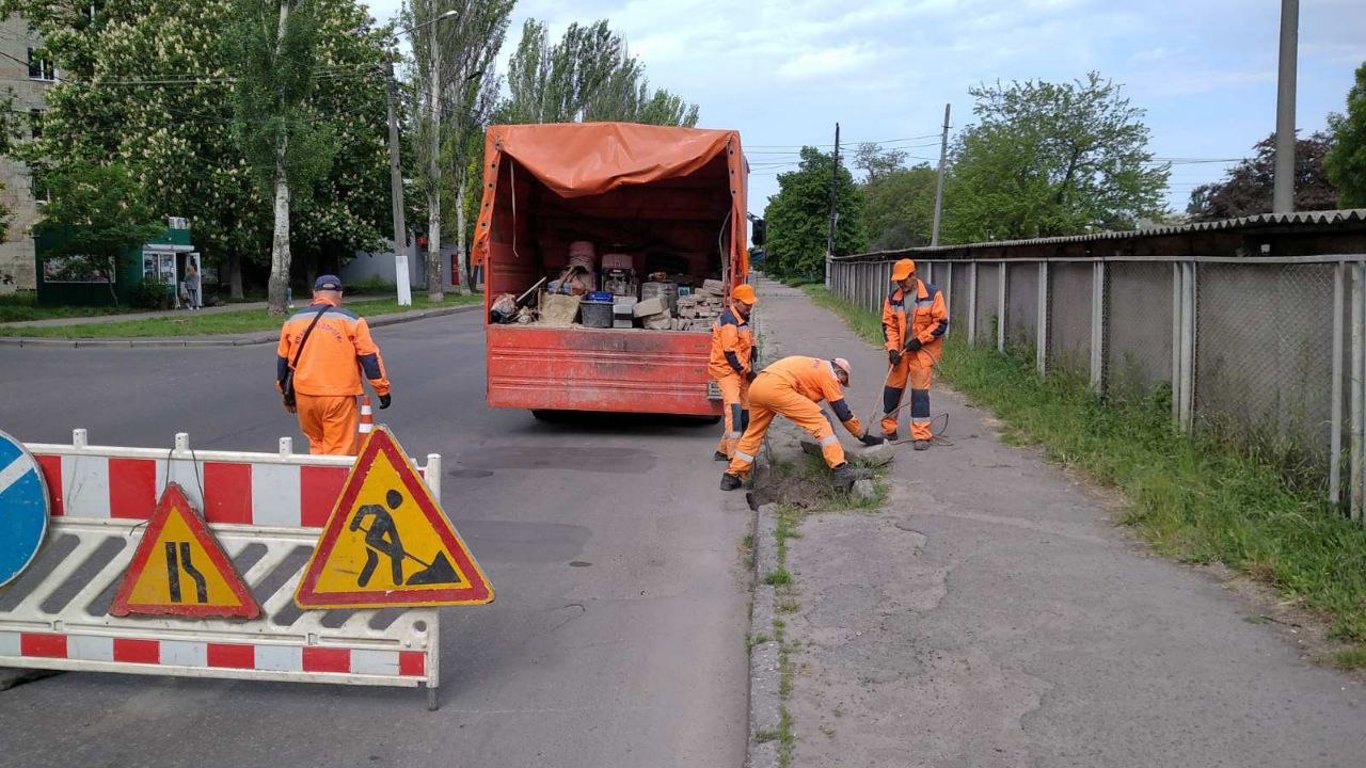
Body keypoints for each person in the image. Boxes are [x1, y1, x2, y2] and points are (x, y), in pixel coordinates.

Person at [720, 356, 880, 492]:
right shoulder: (829, 375)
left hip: (758, 386)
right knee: (820, 421)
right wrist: (860, 435)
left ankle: (731, 476)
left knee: (754, 432)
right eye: (842, 381)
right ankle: (840, 469)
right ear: (839, 371)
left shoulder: (814, 365)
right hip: (778, 388)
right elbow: (842, 412)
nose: (840, 384)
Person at [276, 275, 392, 456]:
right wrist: (382, 390)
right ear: (340, 294)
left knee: (316, 444)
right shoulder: (352, 321)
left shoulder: (293, 322)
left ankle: (317, 481)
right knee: (338, 449)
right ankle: (333, 483)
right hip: (338, 395)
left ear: (315, 293)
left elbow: (283, 362)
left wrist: (286, 395)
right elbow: (370, 358)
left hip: (305, 395)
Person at [881, 258, 949, 449]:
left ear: (914, 275)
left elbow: (941, 323)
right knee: (892, 390)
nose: (900, 283)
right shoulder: (892, 298)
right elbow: (889, 326)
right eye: (898, 281)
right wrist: (893, 349)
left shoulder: (933, 294)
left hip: (923, 352)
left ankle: (921, 434)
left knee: (920, 393)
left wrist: (920, 340)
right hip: (901, 352)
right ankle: (888, 428)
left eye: (904, 279)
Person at [709, 283, 758, 461]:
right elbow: (730, 352)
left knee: (745, 414)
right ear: (736, 301)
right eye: (746, 304)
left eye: (751, 304)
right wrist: (748, 371)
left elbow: (746, 336)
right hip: (728, 372)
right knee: (735, 412)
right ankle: (734, 457)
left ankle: (722, 451)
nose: (749, 307)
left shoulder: (741, 317)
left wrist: (753, 347)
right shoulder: (729, 320)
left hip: (739, 372)